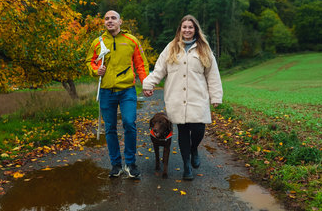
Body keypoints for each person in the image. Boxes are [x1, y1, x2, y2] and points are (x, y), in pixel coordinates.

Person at [142, 15, 223, 180]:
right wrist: (148, 84)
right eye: (184, 27)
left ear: (195, 30)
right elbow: (159, 69)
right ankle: (187, 166)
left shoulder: (204, 49)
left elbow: (213, 75)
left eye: (190, 27)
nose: (187, 30)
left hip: (198, 97)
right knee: (184, 132)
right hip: (176, 98)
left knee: (199, 129)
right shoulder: (171, 48)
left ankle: (194, 150)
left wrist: (215, 96)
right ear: (180, 29)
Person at [86, 10, 149, 178]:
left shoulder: (131, 40)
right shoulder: (97, 42)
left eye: (113, 18)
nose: (110, 21)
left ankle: (130, 163)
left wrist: (146, 84)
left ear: (120, 22)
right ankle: (116, 165)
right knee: (110, 128)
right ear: (104, 22)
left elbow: (141, 64)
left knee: (129, 123)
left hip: (127, 89)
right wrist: (96, 70)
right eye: (107, 19)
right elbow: (90, 62)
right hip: (106, 91)